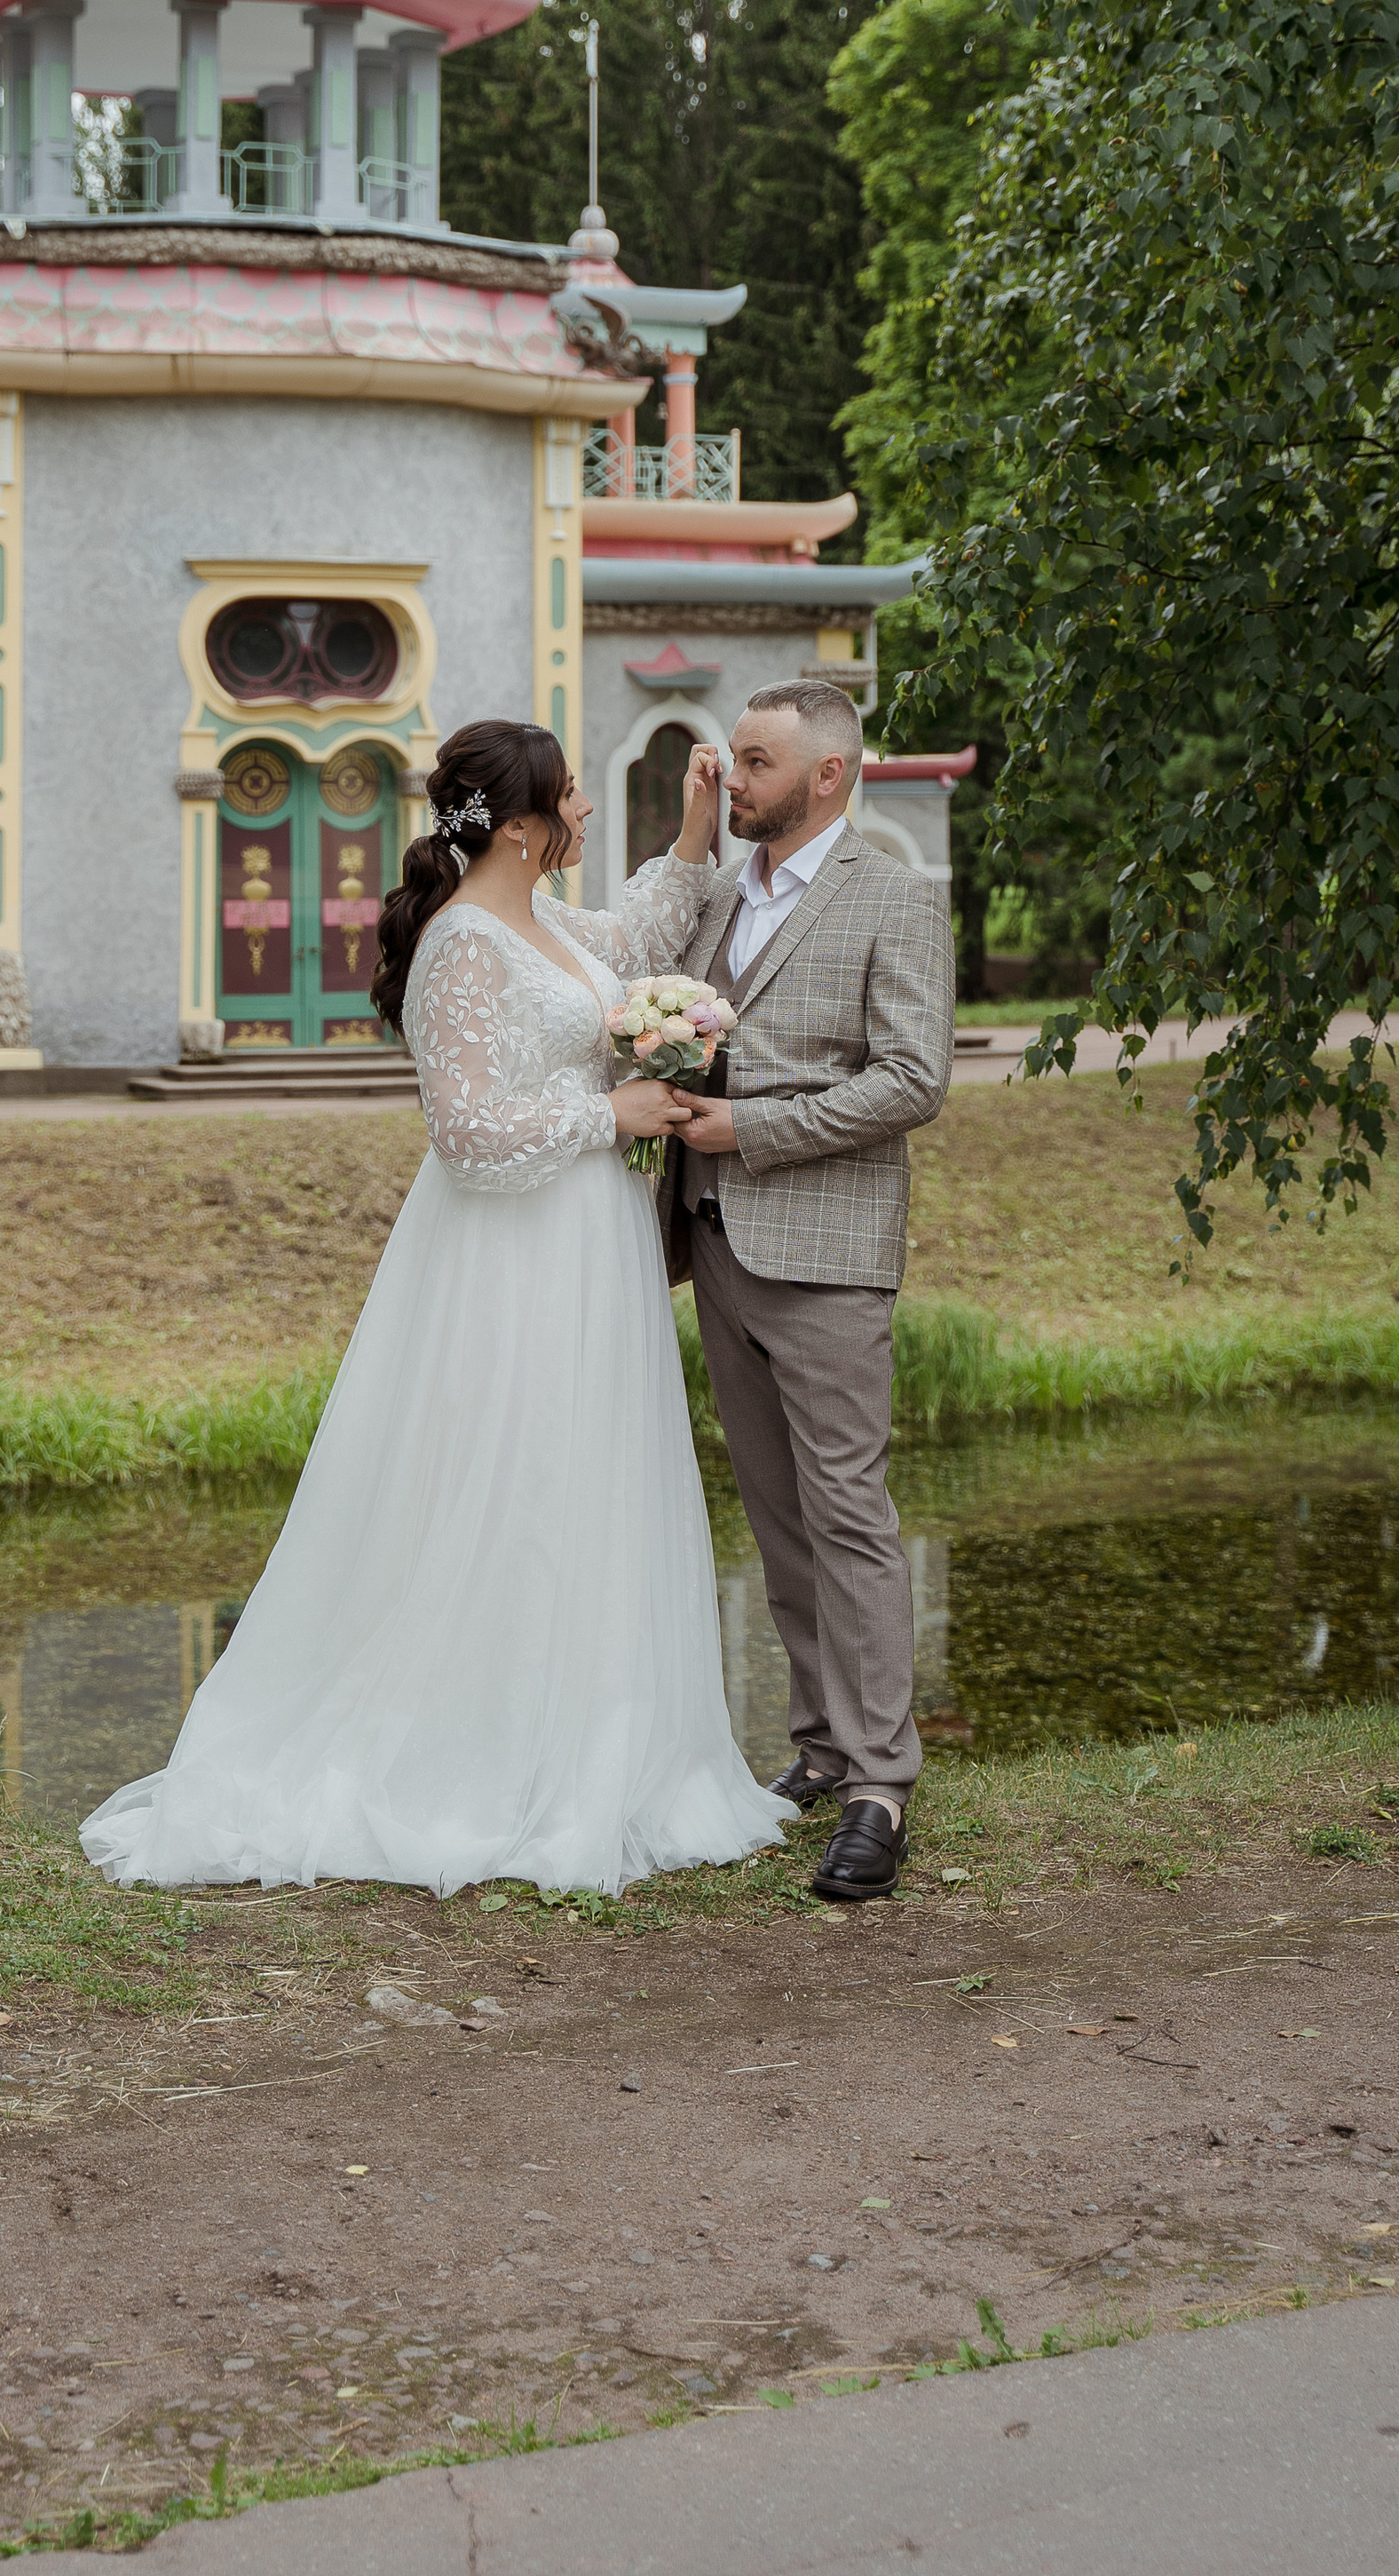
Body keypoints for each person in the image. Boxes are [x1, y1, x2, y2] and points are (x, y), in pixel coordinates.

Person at [81, 717, 790, 1898]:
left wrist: (693, 831)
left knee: (588, 1478)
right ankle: (480, 1761)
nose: (585, 811)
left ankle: (598, 1749)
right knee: (510, 1483)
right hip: (511, 1258)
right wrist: (608, 1116)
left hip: (593, 1244)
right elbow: (465, 1135)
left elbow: (638, 933)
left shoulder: (551, 921)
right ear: (516, 827)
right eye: (572, 796)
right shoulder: (461, 945)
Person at [666, 680, 954, 1902]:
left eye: (755, 762)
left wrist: (752, 1131)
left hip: (827, 1253)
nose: (732, 778)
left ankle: (882, 1784)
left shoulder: (896, 897)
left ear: (827, 774)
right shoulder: (721, 894)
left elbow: (913, 1079)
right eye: (732, 759)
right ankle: (822, 1747)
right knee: (778, 1515)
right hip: (714, 1245)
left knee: (848, 1514)